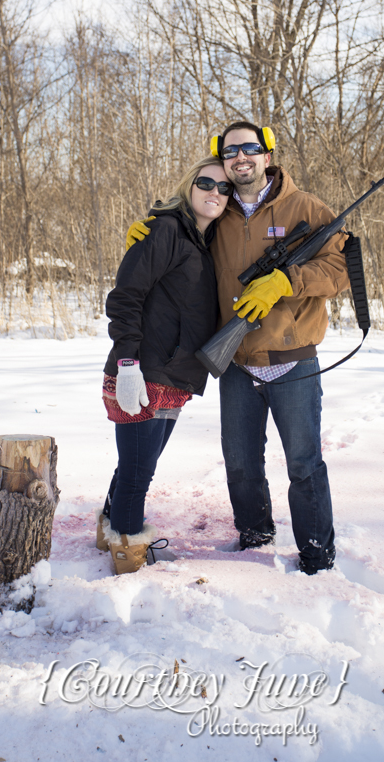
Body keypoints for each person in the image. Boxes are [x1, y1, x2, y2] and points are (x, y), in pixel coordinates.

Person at [127, 122, 349, 575]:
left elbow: (340, 268)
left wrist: (288, 280)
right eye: (231, 150)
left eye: (251, 147)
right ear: (221, 156)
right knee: (241, 463)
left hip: (293, 361)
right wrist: (147, 237)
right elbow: (180, 245)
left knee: (304, 464)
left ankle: (316, 555)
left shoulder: (306, 207)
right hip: (235, 361)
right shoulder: (218, 210)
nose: (241, 156)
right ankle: (254, 537)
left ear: (267, 154)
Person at [98, 156, 232, 574]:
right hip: (142, 372)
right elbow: (125, 297)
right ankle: (128, 555)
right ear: (189, 185)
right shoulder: (166, 230)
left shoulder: (207, 243)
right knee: (138, 473)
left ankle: (110, 530)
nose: (215, 192)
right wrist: (127, 362)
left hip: (175, 376)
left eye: (225, 188)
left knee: (138, 465)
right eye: (207, 183)